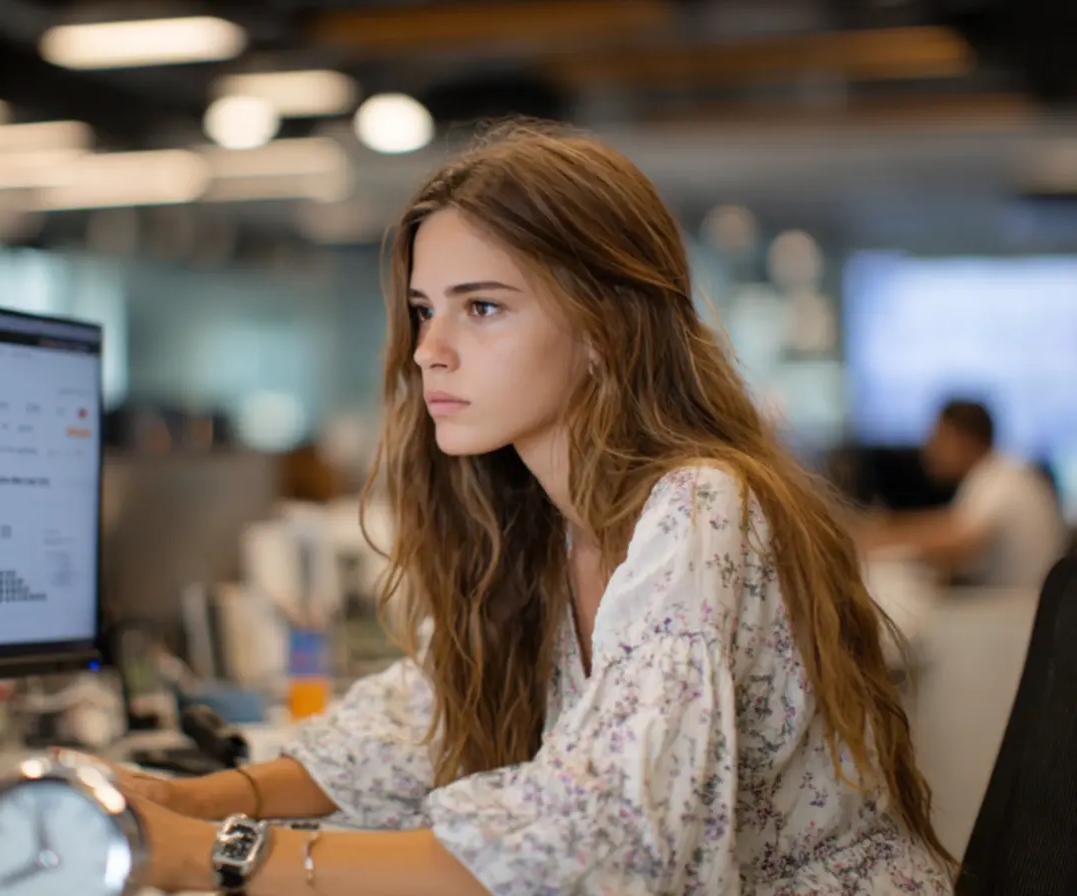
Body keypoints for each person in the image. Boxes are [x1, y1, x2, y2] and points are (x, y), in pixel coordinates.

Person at [99, 123, 954, 894]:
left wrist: (217, 855)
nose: (429, 351)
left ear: (605, 326)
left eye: (482, 308)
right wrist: (189, 802)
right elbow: (419, 724)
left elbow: (608, 837)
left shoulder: (699, 505)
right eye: (425, 311)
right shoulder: (541, 524)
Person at [859, 399, 1069, 588]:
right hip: (1017, 601)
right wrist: (885, 530)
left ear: (962, 439)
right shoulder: (1002, 471)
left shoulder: (1000, 479)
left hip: (1014, 606)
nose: (929, 449)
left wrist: (879, 543)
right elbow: (951, 523)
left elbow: (960, 541)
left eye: (938, 438)